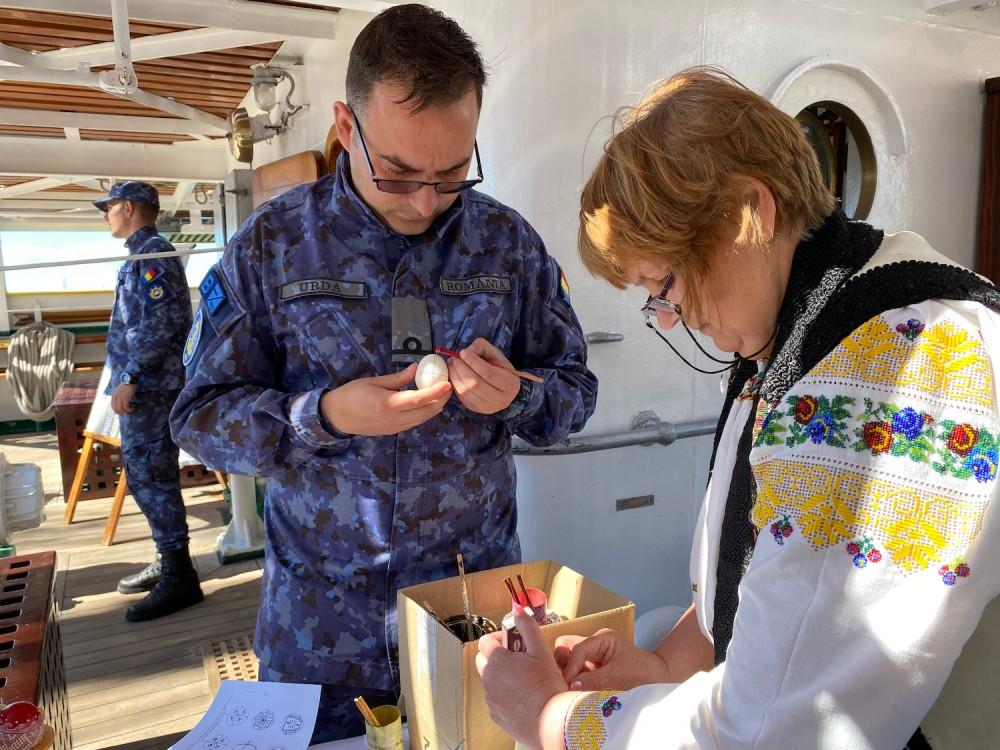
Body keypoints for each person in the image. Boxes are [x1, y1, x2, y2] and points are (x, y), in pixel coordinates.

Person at [476, 67, 1000, 749]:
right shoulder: (804, 339)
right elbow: (748, 593)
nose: (670, 317)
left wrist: (546, 716)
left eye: (665, 282)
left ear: (750, 213)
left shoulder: (893, 369)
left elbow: (776, 731)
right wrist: (663, 667)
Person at [170, 4, 598, 743]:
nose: (425, 201)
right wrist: (323, 415)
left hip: (472, 626)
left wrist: (518, 397)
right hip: (320, 637)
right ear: (345, 126)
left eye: (452, 174)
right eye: (398, 174)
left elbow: (574, 393)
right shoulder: (272, 245)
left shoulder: (508, 245)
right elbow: (199, 419)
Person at [94, 181, 202, 622]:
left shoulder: (153, 254)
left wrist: (131, 377)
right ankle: (169, 559)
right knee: (145, 475)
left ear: (127, 207)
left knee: (152, 476)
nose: (105, 216)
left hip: (152, 388)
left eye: (108, 208)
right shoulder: (142, 254)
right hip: (149, 385)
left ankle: (179, 576)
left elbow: (161, 322)